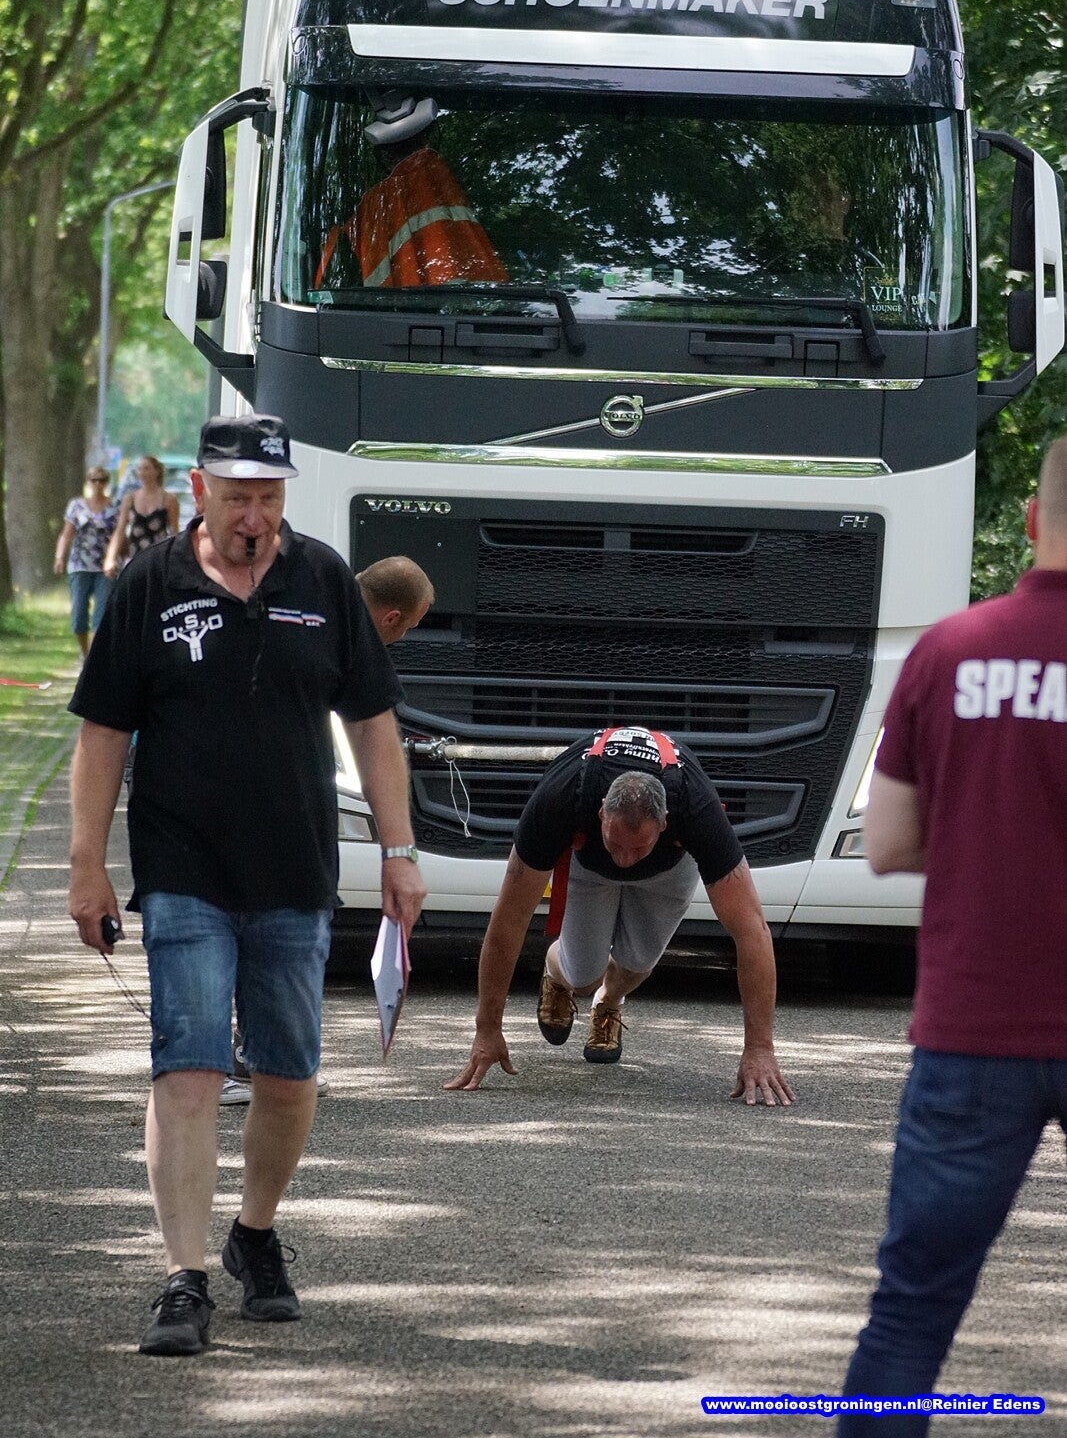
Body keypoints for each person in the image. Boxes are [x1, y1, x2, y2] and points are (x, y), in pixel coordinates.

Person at [66, 413, 426, 1357]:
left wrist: (399, 851)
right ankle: (182, 1278)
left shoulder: (324, 582)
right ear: (200, 491)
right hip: (181, 866)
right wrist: (85, 864)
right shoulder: (150, 585)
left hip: (294, 868)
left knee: (288, 1074)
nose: (253, 518)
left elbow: (374, 724)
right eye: (237, 499)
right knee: (187, 1067)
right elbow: (102, 733)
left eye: (268, 498)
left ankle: (253, 1234)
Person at [837, 436, 1067, 1437]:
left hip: (972, 1028)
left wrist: (988, 835)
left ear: (1031, 518)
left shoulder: (948, 650)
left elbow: (886, 843)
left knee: (911, 1311)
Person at [445, 724, 794, 1104]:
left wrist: (760, 1048)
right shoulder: (559, 800)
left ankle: (609, 1002)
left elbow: (752, 931)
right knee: (583, 975)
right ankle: (556, 972)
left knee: (638, 960)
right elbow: (507, 922)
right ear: (600, 813)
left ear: (664, 823)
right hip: (588, 864)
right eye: (616, 843)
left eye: (637, 847)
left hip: (668, 869)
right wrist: (487, 1028)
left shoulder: (697, 809)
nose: (625, 860)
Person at [219, 553, 435, 1107]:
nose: (401, 639)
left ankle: (245, 1055)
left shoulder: (306, 608)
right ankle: (241, 1057)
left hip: (249, 795)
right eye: (407, 628)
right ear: (390, 618)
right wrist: (398, 848)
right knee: (250, 923)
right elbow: (369, 733)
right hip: (263, 803)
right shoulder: (338, 630)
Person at [314, 90, 508, 291]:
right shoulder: (449, 183)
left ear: (385, 157)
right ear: (427, 140)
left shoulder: (371, 207)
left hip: (388, 307)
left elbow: (329, 281)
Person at [53, 466, 119, 658]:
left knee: (101, 615)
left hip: (104, 568)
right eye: (93, 480)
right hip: (79, 565)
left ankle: (94, 659)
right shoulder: (76, 506)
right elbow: (66, 534)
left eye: (101, 480)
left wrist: (115, 558)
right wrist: (59, 557)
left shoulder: (115, 506)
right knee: (79, 616)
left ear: (106, 483)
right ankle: (85, 653)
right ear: (88, 482)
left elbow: (119, 534)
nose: (97, 484)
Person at [103, 454, 180, 577]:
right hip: (135, 556)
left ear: (156, 471)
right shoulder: (130, 498)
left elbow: (174, 532)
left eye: (146, 468)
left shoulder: (169, 499)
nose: (142, 473)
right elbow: (120, 530)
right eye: (139, 469)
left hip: (158, 558)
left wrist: (176, 558)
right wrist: (110, 558)